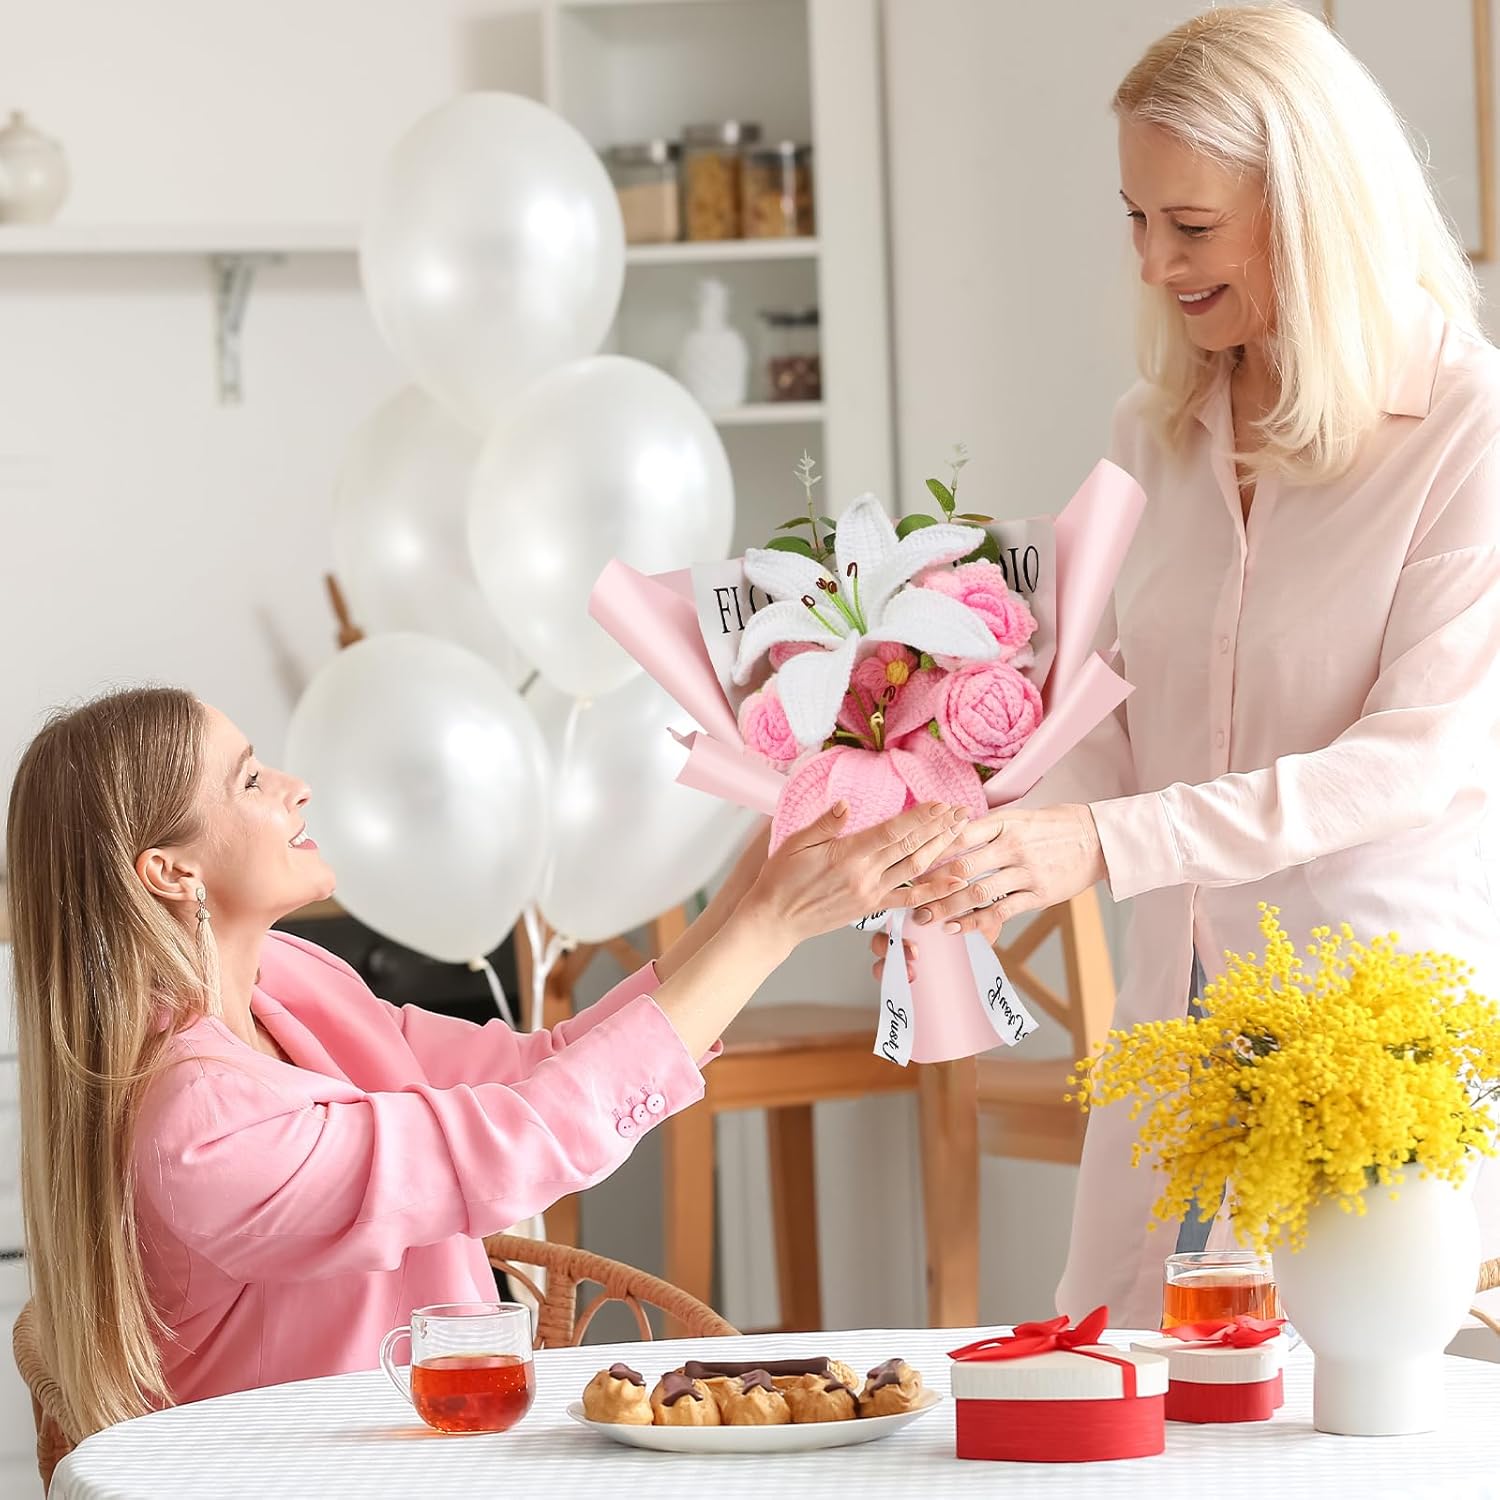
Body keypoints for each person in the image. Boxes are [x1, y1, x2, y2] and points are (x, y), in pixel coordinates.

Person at [879, 3, 1500, 1326]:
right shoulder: (1156, 427)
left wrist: (1105, 843)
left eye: (1193, 225)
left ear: (1312, 209)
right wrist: (993, 842)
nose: (1156, 262)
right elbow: (1117, 706)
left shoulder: (1469, 428)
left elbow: (1411, 760)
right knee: (1120, 1359)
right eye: (1136, 218)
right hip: (1175, 1017)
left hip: (1368, 1042)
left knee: (1344, 1387)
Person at [9, 686, 970, 1434]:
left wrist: (761, 883)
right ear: (170, 871)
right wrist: (768, 929)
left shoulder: (290, 984)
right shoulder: (197, 1121)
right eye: (250, 780)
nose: (295, 786)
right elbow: (512, 1142)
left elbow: (528, 1070)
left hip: (421, 1452)